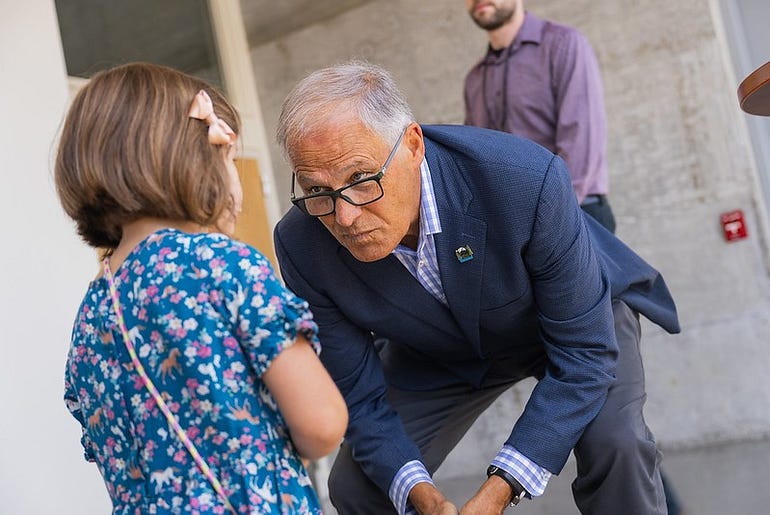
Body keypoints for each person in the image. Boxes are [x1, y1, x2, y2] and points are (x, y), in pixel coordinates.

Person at [273, 61, 680, 515]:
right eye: (317, 190)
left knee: (617, 444)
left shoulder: (524, 177)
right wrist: (420, 496)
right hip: (438, 349)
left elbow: (585, 354)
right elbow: (360, 398)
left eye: (360, 180)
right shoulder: (300, 243)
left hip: (567, 325)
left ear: (412, 146)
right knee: (357, 483)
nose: (343, 217)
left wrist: (501, 488)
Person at [55, 62, 347, 514]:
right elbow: (322, 423)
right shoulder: (222, 265)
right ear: (195, 163)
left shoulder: (90, 316)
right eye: (227, 157)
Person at [463, 0, 616, 233]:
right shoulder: (474, 80)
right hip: (516, 229)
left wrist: (547, 222)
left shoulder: (564, 45)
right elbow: (475, 163)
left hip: (577, 213)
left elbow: (581, 144)